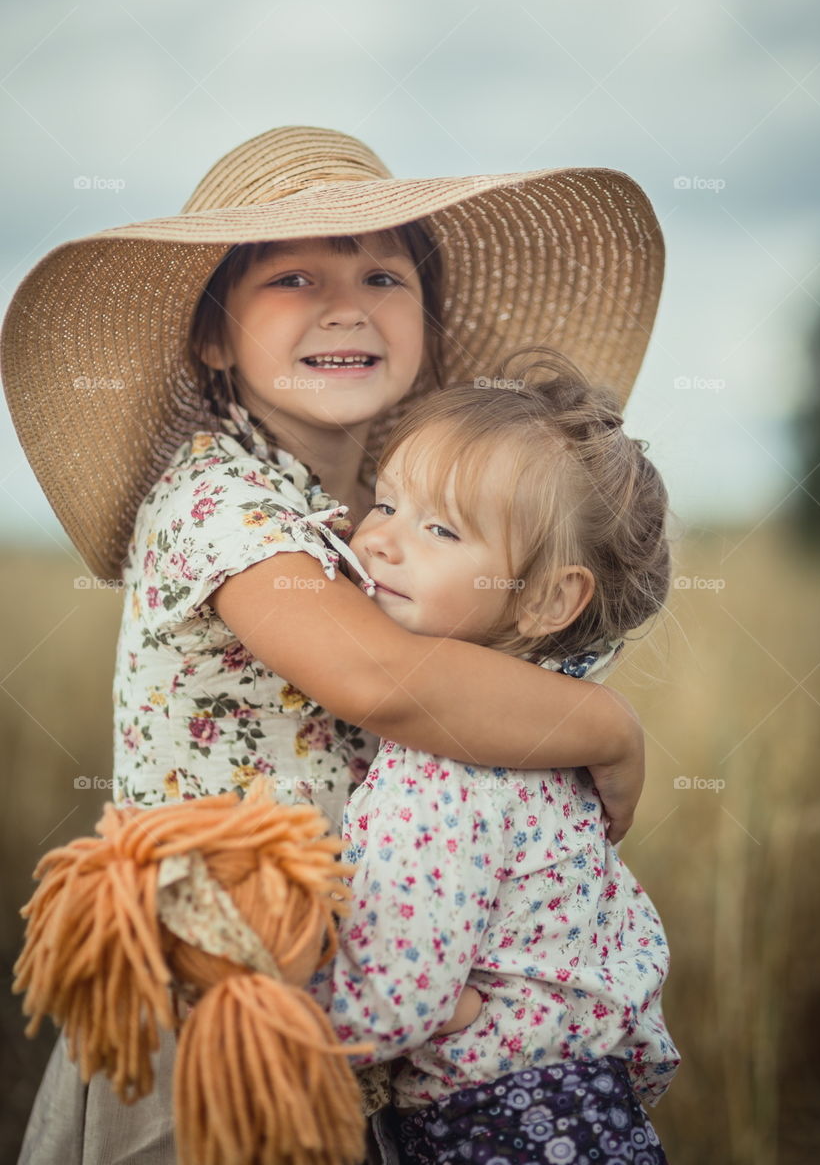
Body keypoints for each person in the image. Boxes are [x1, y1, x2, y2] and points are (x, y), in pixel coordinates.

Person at [3, 125, 666, 1164]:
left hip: (344, 980)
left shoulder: (370, 509)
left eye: (382, 273)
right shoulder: (215, 494)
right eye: (293, 276)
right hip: (216, 983)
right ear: (215, 338)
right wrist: (609, 727)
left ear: (425, 320)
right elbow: (382, 680)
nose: (344, 301)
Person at [308, 346, 680, 1163]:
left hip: (491, 1131)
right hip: (593, 1116)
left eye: (440, 529)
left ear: (549, 598)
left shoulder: (443, 770)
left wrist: (255, 997)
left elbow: (388, 1004)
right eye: (386, 505)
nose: (381, 543)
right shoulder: (551, 744)